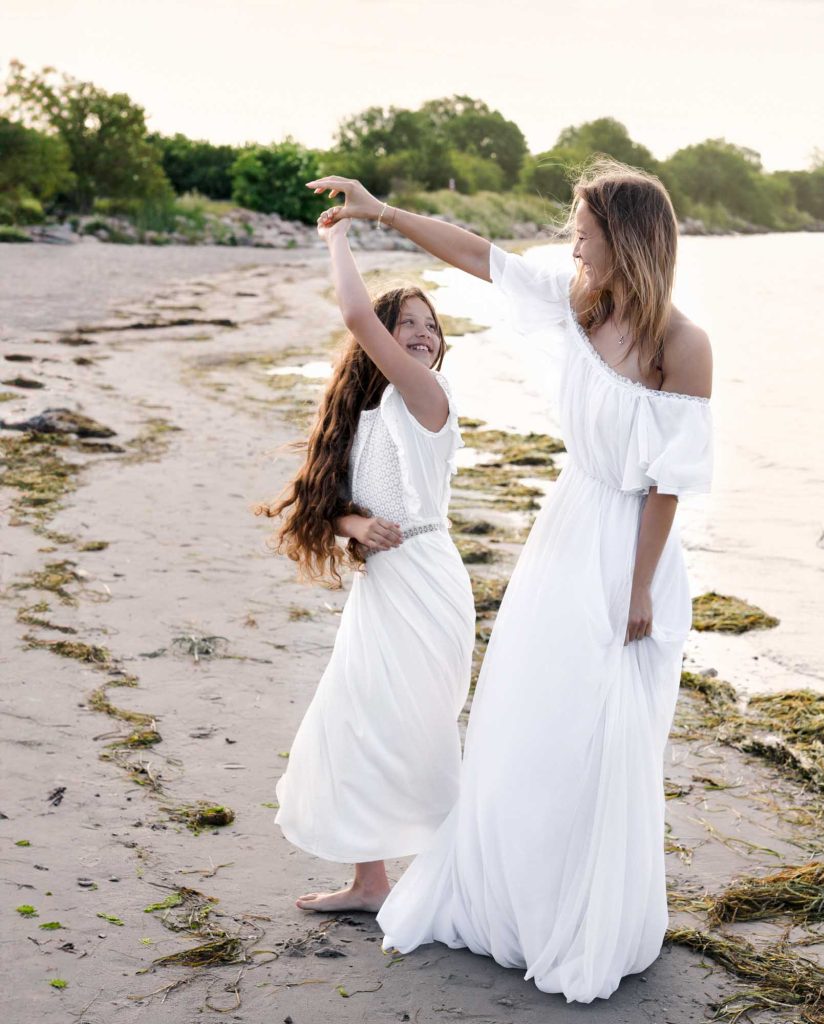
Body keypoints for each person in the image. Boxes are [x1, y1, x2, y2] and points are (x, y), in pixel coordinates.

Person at [309, 158, 713, 1000]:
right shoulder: (576, 306)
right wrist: (382, 212)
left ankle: (585, 913)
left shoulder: (683, 346)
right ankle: (520, 904)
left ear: (627, 239)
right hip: (564, 535)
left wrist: (639, 587)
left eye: (584, 230)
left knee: (606, 733)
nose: (573, 243)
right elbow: (478, 254)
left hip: (630, 548)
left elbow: (669, 483)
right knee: (533, 720)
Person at [257, 214, 475, 913]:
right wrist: (355, 523)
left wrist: (337, 237)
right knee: (355, 723)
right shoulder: (365, 414)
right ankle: (371, 883)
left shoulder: (427, 396)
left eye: (430, 326)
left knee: (416, 732)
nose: (422, 334)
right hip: (382, 587)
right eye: (407, 323)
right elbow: (325, 507)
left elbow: (355, 314)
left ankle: (455, 882)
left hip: (428, 581)